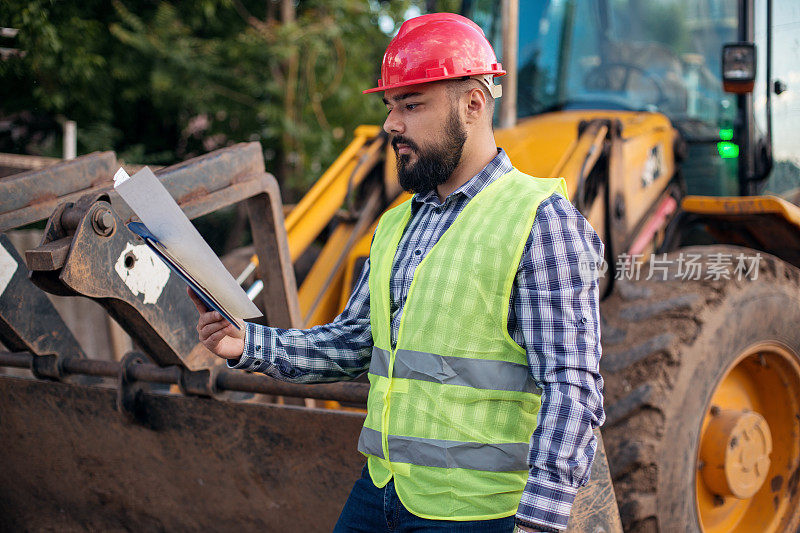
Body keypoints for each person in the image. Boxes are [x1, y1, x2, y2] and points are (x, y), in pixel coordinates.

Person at [191, 13, 604, 533]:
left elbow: (572, 388)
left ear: (474, 103)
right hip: (383, 491)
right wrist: (248, 344)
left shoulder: (540, 221)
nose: (392, 124)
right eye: (391, 106)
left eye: (411, 105)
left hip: (475, 513)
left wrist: (540, 522)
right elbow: (354, 344)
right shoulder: (395, 225)